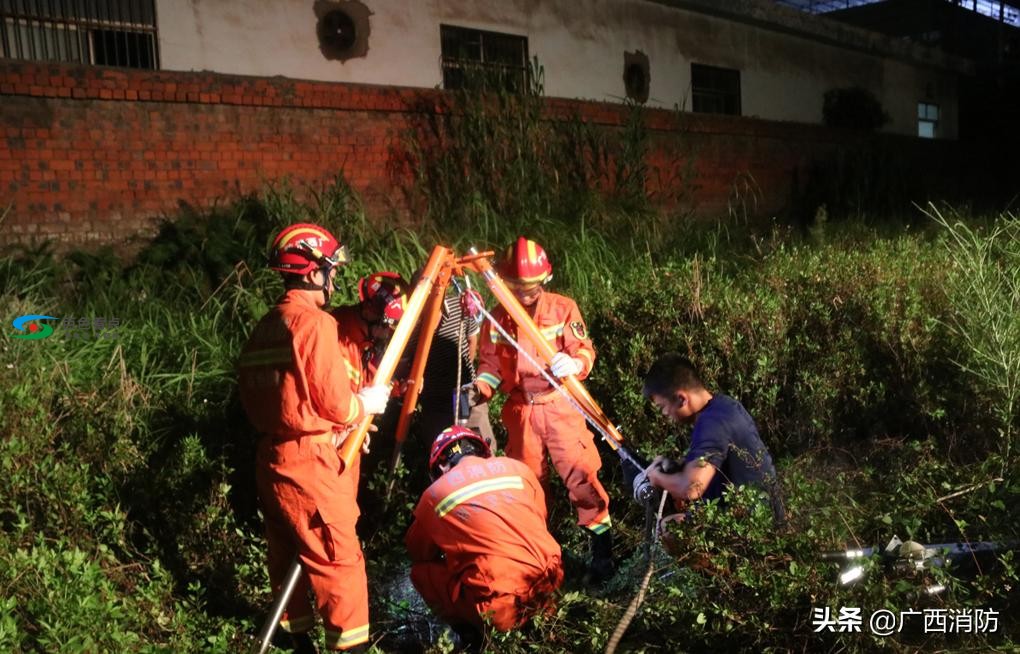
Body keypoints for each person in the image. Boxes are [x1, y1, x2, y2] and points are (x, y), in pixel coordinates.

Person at [237, 223, 391, 653]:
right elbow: (335, 403)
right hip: (310, 463)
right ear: (310, 271)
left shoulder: (267, 325)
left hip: (271, 458)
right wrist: (365, 404)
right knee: (338, 560)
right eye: (330, 269)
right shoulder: (316, 324)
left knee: (286, 553)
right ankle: (350, 648)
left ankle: (297, 639)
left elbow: (261, 397)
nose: (334, 278)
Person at [473, 237, 613, 581]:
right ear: (506, 283)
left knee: (582, 477)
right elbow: (489, 365)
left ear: (545, 280)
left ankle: (602, 557)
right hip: (522, 413)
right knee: (528, 486)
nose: (525, 294)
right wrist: (480, 389)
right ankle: (543, 559)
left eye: (532, 287)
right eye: (518, 287)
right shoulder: (497, 318)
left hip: (560, 406)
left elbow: (583, 348)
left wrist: (575, 362)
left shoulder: (563, 308)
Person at [405, 426, 564, 647]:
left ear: (441, 466)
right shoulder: (519, 469)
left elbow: (417, 551)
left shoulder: (434, 495)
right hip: (551, 588)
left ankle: (471, 636)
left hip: (501, 610)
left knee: (421, 573)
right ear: (483, 450)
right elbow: (540, 519)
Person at [640, 353, 785, 532]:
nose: (664, 415)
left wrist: (657, 477)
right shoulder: (722, 406)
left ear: (681, 399)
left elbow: (692, 488)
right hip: (761, 513)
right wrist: (675, 466)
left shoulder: (712, 423)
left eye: (662, 407)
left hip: (751, 525)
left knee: (668, 528)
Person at [415, 288, 496, 451]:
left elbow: (472, 340)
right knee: (444, 449)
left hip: (464, 391)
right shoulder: (412, 323)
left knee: (479, 440)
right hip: (434, 398)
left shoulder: (459, 307)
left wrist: (466, 368)